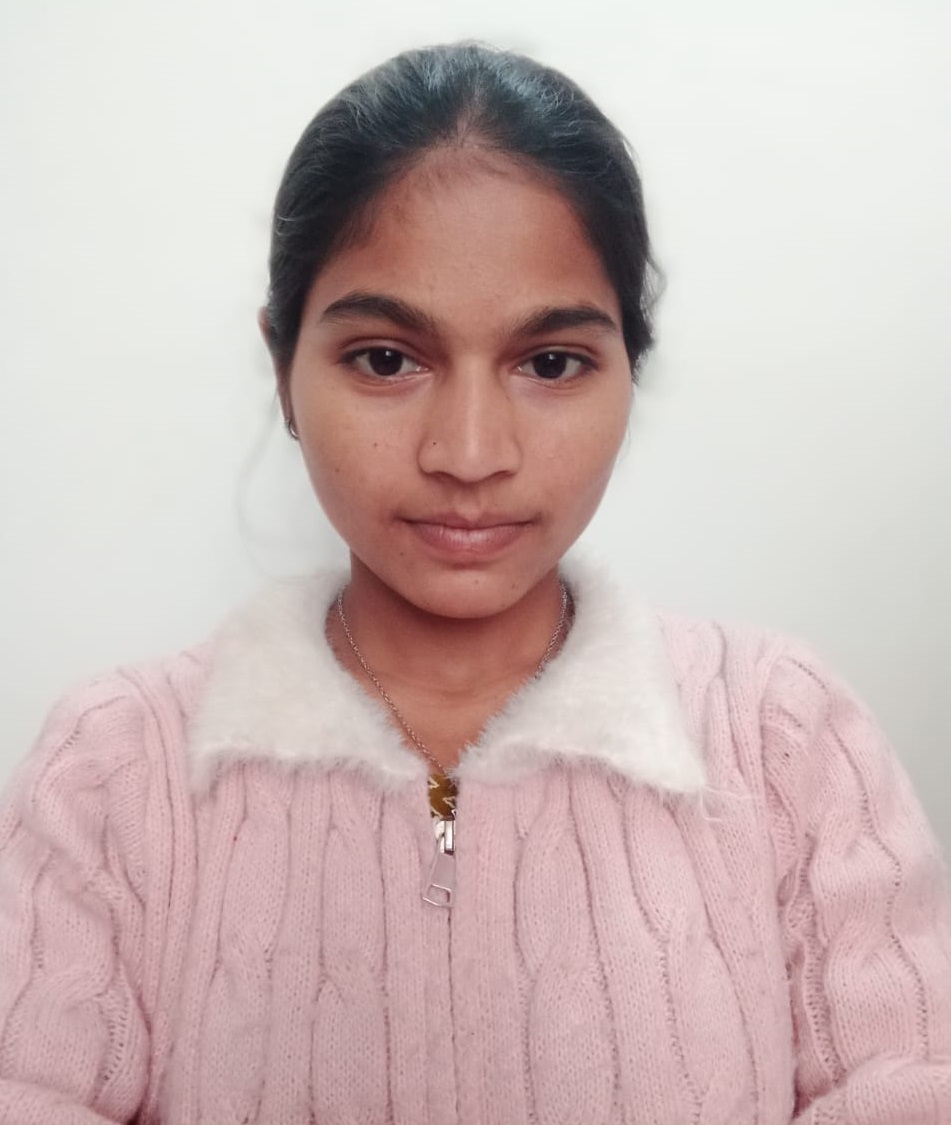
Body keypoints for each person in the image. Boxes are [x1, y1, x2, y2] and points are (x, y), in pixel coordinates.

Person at [1, 41, 949, 1125]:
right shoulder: (113, 772)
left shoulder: (783, 737)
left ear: (628, 369)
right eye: (385, 358)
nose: (468, 452)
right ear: (283, 370)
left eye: (549, 363)